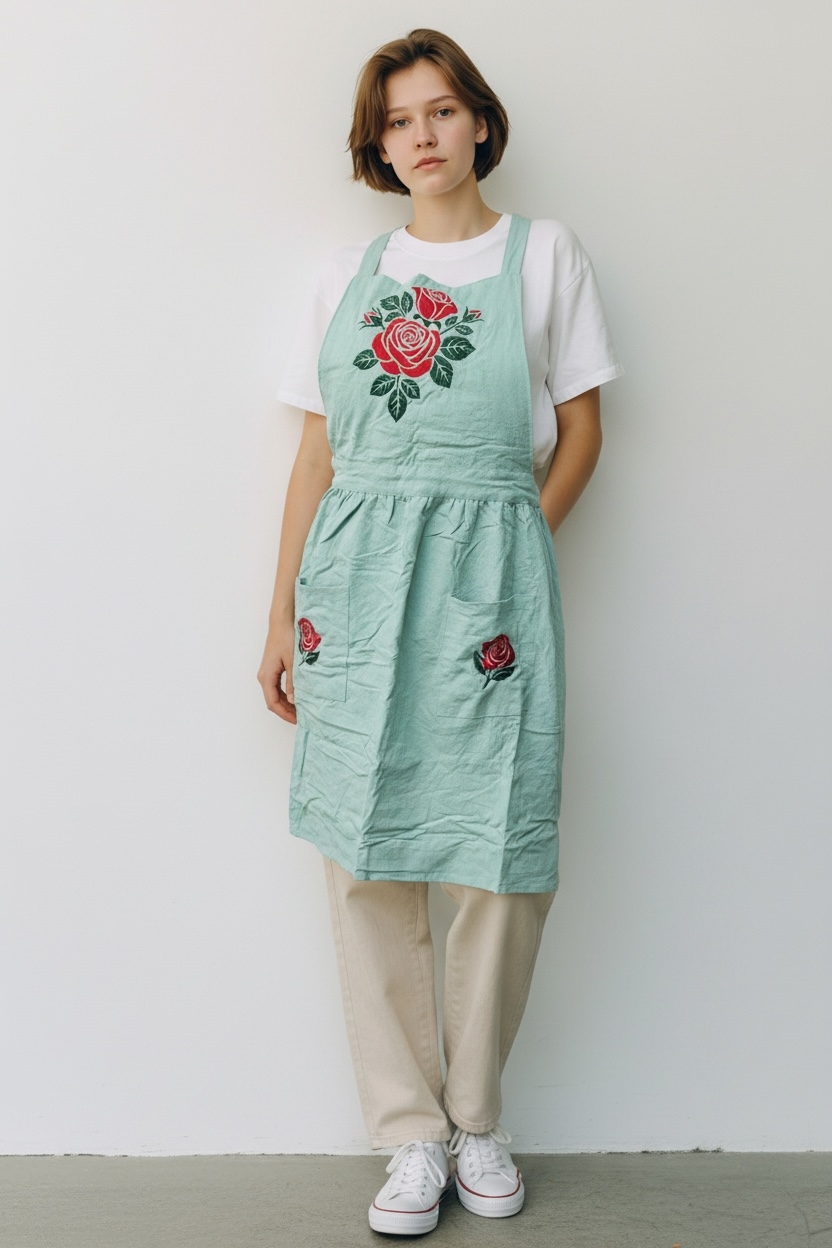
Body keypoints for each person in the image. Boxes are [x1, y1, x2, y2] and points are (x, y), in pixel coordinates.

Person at [258, 28, 623, 1236]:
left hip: (490, 592)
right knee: (365, 858)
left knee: (498, 854)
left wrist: (517, 546)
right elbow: (315, 457)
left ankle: (476, 1117)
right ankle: (408, 1134)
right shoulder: (341, 275)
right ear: (378, 145)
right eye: (398, 120)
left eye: (442, 110)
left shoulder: (545, 256)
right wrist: (280, 614)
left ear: (479, 121)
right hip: (353, 592)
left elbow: (582, 430)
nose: (422, 135)